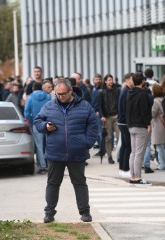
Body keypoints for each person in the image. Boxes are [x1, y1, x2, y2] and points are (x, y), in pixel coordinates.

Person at [34, 78, 98, 223]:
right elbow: (37, 122)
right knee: (53, 183)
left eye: (63, 93)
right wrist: (45, 126)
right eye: (57, 94)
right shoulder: (49, 106)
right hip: (55, 152)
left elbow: (93, 125)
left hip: (77, 152)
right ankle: (49, 213)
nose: (60, 96)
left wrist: (86, 143)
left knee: (80, 183)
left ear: (70, 91)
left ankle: (85, 212)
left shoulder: (85, 106)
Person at [126, 72, 152, 184]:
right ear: (142, 81)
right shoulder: (142, 94)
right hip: (140, 125)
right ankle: (137, 177)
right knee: (139, 153)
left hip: (131, 125)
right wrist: (148, 124)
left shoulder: (129, 92)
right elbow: (144, 111)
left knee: (133, 152)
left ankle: (133, 176)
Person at [24, 82, 52, 174]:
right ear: (41, 88)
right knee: (48, 144)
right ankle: (50, 165)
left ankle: (42, 167)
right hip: (47, 123)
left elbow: (27, 113)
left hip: (37, 124)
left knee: (39, 146)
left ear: (33, 88)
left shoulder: (30, 98)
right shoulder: (48, 96)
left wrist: (32, 121)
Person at [98, 74, 120, 164]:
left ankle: (119, 156)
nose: (111, 81)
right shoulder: (101, 92)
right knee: (108, 138)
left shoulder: (117, 90)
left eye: (112, 79)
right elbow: (100, 105)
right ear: (106, 81)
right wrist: (102, 116)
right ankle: (110, 157)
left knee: (119, 137)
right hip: (107, 117)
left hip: (117, 116)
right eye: (109, 80)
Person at [117, 73, 134, 178]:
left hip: (122, 121)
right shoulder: (126, 91)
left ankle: (122, 168)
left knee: (124, 146)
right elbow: (126, 109)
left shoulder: (125, 90)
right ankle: (125, 168)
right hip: (124, 122)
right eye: (132, 79)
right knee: (127, 146)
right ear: (128, 80)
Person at [151, 84, 165, 171]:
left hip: (158, 126)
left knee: (159, 146)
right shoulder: (164, 100)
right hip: (164, 125)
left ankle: (162, 164)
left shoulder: (155, 102)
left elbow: (152, 114)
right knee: (164, 145)